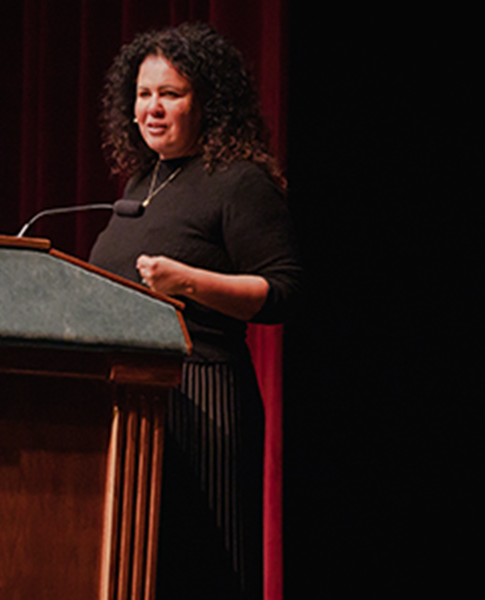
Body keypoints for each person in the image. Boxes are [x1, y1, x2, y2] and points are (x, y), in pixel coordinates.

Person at [88, 22, 299, 599]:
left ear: (208, 103)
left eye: (171, 94)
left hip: (203, 393)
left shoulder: (238, 181)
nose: (153, 108)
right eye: (144, 94)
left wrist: (189, 282)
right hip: (131, 394)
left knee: (208, 569)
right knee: (144, 570)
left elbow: (284, 291)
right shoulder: (140, 183)